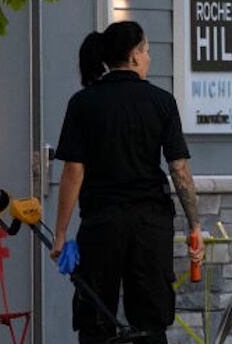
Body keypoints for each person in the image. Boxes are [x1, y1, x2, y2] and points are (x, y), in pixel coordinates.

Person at [49, 21, 204, 344]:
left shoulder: (84, 103)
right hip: (151, 223)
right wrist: (195, 226)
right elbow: (179, 169)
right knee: (151, 317)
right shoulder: (161, 102)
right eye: (146, 51)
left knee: (95, 314)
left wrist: (61, 233)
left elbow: (73, 172)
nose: (148, 58)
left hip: (101, 221)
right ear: (134, 56)